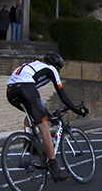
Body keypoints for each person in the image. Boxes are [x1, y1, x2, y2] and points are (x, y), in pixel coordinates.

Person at [6, 52, 88, 181]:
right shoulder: (51, 69)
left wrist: (48, 115)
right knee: (44, 126)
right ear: (57, 66)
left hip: (11, 90)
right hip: (26, 87)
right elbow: (63, 96)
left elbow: (36, 103)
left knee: (33, 114)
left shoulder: (34, 66)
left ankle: (29, 141)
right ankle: (55, 169)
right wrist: (77, 110)